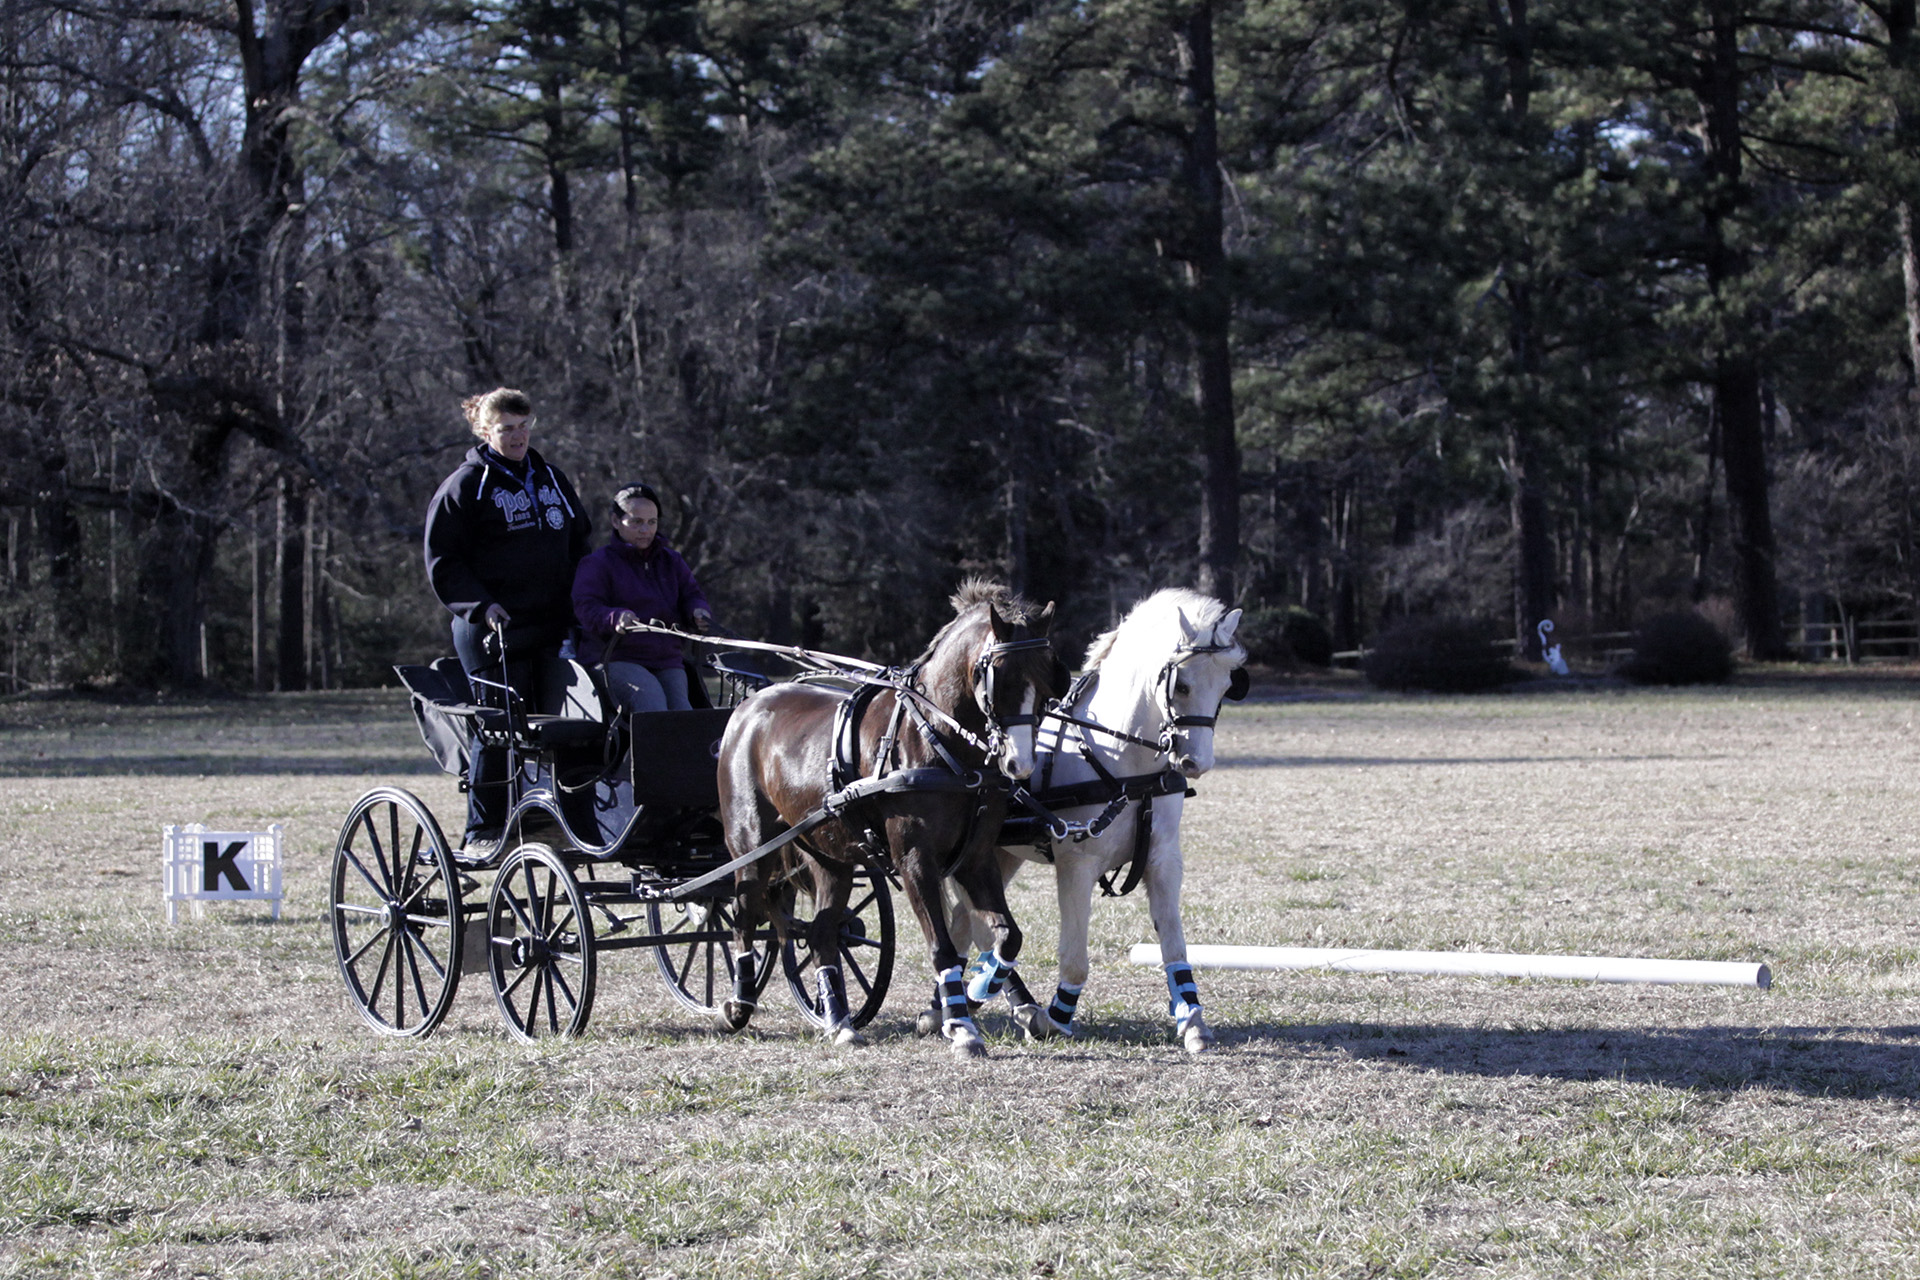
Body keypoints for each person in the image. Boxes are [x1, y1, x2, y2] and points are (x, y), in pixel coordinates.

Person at [423, 387, 591, 853]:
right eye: (505, 430)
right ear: (484, 430)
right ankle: (483, 830)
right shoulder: (466, 485)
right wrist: (481, 606)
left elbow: (580, 544)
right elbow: (444, 560)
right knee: (501, 728)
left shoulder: (550, 478)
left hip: (553, 625)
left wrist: (586, 601)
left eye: (523, 427)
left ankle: (559, 822)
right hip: (493, 630)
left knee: (571, 726)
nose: (517, 437)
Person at [572, 482, 712, 714]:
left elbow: (692, 595)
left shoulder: (672, 561)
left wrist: (698, 611)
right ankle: (642, 752)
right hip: (614, 659)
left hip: (666, 659)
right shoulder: (597, 564)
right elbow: (586, 607)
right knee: (650, 700)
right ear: (616, 521)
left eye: (652, 522)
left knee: (683, 713)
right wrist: (614, 618)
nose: (645, 530)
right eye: (636, 522)